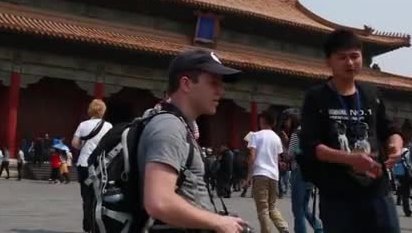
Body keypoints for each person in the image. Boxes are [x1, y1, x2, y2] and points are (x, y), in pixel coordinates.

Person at [299, 29, 402, 233]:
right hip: (338, 195)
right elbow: (313, 147)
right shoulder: (316, 97)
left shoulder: (371, 95)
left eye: (355, 56)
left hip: (376, 191)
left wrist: (396, 146)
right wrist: (350, 159)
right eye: (342, 57)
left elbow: (390, 130)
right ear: (329, 61)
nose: (350, 63)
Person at [137, 49, 247, 232]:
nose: (221, 91)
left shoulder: (179, 125)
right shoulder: (169, 127)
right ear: (186, 84)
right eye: (213, 83)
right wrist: (218, 222)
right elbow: (159, 201)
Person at [71, 99, 113, 233]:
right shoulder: (108, 126)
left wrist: (84, 146)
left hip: (84, 164)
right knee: (99, 196)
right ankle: (97, 225)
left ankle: (87, 225)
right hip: (101, 165)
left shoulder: (83, 125)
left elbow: (74, 143)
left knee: (86, 196)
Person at [248, 112, 290, 233]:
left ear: (261, 121)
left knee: (263, 210)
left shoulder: (255, 135)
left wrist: (248, 176)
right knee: (271, 207)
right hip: (274, 176)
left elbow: (252, 156)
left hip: (260, 174)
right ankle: (283, 228)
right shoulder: (277, 138)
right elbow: (277, 159)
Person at [288, 119, 323, 233]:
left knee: (297, 209)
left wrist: (296, 150)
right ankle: (318, 228)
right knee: (304, 206)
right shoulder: (315, 133)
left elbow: (292, 153)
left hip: (299, 171)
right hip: (312, 172)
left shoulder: (296, 134)